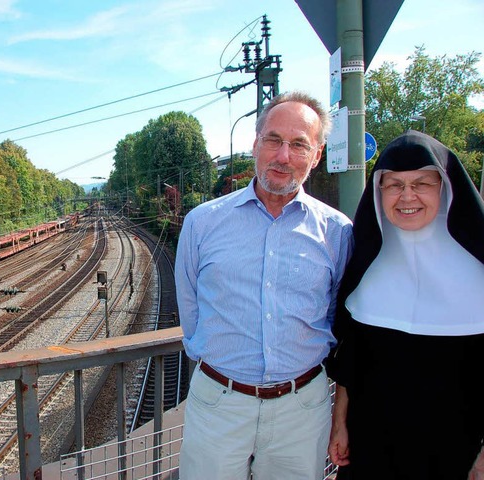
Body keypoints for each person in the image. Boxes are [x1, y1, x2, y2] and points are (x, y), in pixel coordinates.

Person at [175, 91, 353, 480]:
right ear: (255, 144)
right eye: (273, 140)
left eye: (299, 145)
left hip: (302, 409)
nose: (282, 156)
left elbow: (339, 313)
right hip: (219, 402)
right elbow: (189, 308)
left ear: (317, 155)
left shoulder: (337, 232)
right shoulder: (202, 223)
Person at [327, 130, 484, 479]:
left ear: (444, 187)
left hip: (456, 452)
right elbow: (351, 363)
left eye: (421, 184)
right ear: (378, 191)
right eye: (394, 185)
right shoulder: (365, 265)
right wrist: (339, 423)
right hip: (370, 450)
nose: (406, 196)